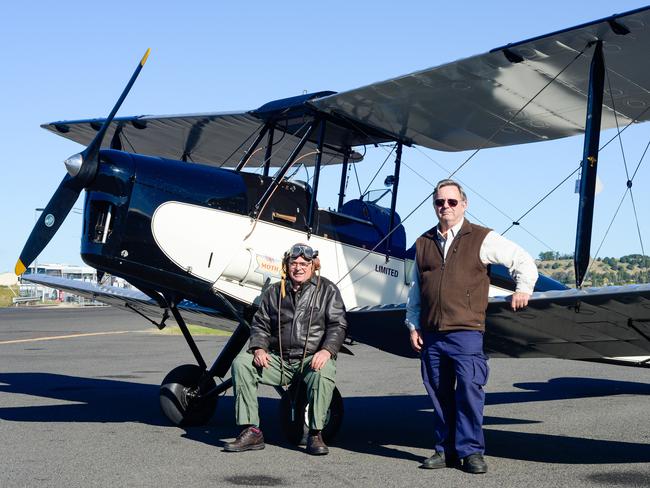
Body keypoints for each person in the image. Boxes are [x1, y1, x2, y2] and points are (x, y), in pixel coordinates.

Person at [406, 179, 538, 474]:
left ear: (464, 205)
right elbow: (416, 290)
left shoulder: (482, 237)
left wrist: (523, 288)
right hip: (432, 333)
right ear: (434, 205)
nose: (446, 207)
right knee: (438, 394)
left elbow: (522, 260)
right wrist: (413, 324)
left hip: (466, 331)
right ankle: (445, 450)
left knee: (468, 390)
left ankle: (471, 452)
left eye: (452, 202)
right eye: (440, 202)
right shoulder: (423, 243)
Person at [224, 243, 347, 455]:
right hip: (278, 360)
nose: (298, 268)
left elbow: (338, 324)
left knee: (324, 371)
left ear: (313, 266)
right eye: (294, 263)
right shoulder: (273, 293)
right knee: (242, 363)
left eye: (304, 263)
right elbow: (260, 324)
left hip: (310, 359)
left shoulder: (328, 290)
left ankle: (316, 434)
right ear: (286, 265)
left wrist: (327, 350)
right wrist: (259, 348)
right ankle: (251, 431)